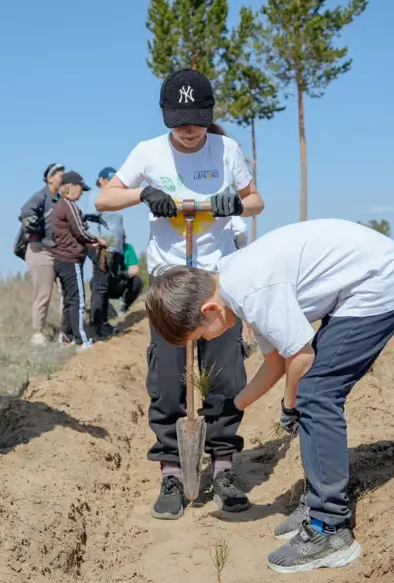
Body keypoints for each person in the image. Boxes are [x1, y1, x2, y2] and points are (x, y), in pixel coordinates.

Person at [144, 218, 394, 574]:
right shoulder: (233, 283)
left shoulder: (251, 291)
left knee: (317, 394)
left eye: (200, 334)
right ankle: (319, 502)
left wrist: (290, 404)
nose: (207, 341)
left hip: (382, 282)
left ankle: (330, 528)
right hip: (365, 280)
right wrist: (235, 404)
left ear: (210, 311)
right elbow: (277, 361)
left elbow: (301, 358)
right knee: (309, 391)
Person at [95, 68, 265, 519]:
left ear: (209, 116)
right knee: (167, 377)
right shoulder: (148, 152)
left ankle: (224, 466)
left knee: (225, 374)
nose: (189, 132)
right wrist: (142, 194)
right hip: (170, 285)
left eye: (197, 121)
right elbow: (103, 201)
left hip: (218, 281)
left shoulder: (226, 149)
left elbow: (256, 201)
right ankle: (171, 472)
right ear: (166, 117)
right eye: (179, 122)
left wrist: (233, 203)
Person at [51, 171, 108, 351]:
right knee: (78, 300)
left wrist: (86, 243)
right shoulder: (70, 206)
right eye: (81, 188)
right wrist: (97, 241)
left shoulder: (59, 206)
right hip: (70, 260)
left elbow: (68, 235)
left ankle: (67, 338)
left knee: (69, 300)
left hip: (60, 259)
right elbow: (80, 232)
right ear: (71, 187)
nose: (82, 192)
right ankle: (82, 341)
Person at [20, 163, 66, 346]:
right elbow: (26, 211)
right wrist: (32, 224)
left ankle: (66, 330)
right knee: (43, 293)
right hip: (41, 250)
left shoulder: (62, 199)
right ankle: (37, 333)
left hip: (60, 251)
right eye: (61, 176)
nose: (64, 180)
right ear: (50, 178)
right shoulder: (41, 196)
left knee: (68, 292)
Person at [87, 167, 126, 339]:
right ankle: (97, 325)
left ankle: (104, 322)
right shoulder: (96, 194)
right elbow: (88, 218)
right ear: (101, 179)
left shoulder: (112, 198)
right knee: (100, 287)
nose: (112, 181)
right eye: (110, 178)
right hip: (103, 249)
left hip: (114, 249)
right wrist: (97, 240)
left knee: (106, 287)